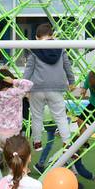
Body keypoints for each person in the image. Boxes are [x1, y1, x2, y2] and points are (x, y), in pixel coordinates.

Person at [24, 23, 75, 151]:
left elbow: (29, 70)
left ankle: (37, 142)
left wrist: (24, 88)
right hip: (56, 88)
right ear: (52, 35)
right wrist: (71, 81)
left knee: (37, 116)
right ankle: (66, 142)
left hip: (37, 88)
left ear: (37, 37)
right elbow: (67, 65)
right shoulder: (60, 48)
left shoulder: (34, 50)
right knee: (60, 116)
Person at [0, 68, 33, 141]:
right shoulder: (15, 93)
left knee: (5, 148)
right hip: (12, 130)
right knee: (14, 150)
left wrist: (1, 72)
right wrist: (13, 81)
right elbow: (29, 84)